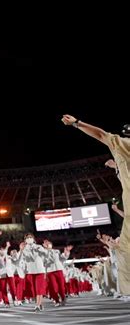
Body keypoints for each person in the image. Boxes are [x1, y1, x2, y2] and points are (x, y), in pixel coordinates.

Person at [62, 115, 130, 296]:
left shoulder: (124, 143)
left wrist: (76, 123)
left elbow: (101, 135)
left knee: (125, 255)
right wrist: (116, 166)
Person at [18, 234, 47, 312]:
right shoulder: (24, 249)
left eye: (31, 238)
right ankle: (39, 303)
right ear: (25, 240)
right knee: (33, 291)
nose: (29, 239)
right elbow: (18, 259)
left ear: (34, 239)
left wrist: (44, 248)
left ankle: (37, 305)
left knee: (39, 289)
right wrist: (21, 250)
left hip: (40, 270)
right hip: (30, 271)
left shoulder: (38, 247)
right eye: (27, 238)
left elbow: (45, 254)